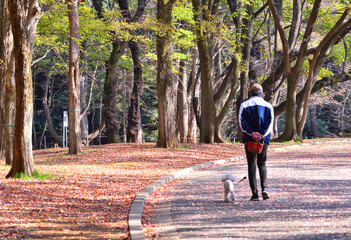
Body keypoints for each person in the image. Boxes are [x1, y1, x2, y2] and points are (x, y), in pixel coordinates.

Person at [238, 83, 274, 201]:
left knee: (251, 164)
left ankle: (255, 194)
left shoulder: (244, 105)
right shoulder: (268, 106)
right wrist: (262, 134)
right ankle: (265, 188)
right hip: (264, 139)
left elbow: (242, 122)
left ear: (250, 94)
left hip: (249, 139)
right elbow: (270, 123)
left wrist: (252, 133)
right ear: (262, 94)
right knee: (262, 163)